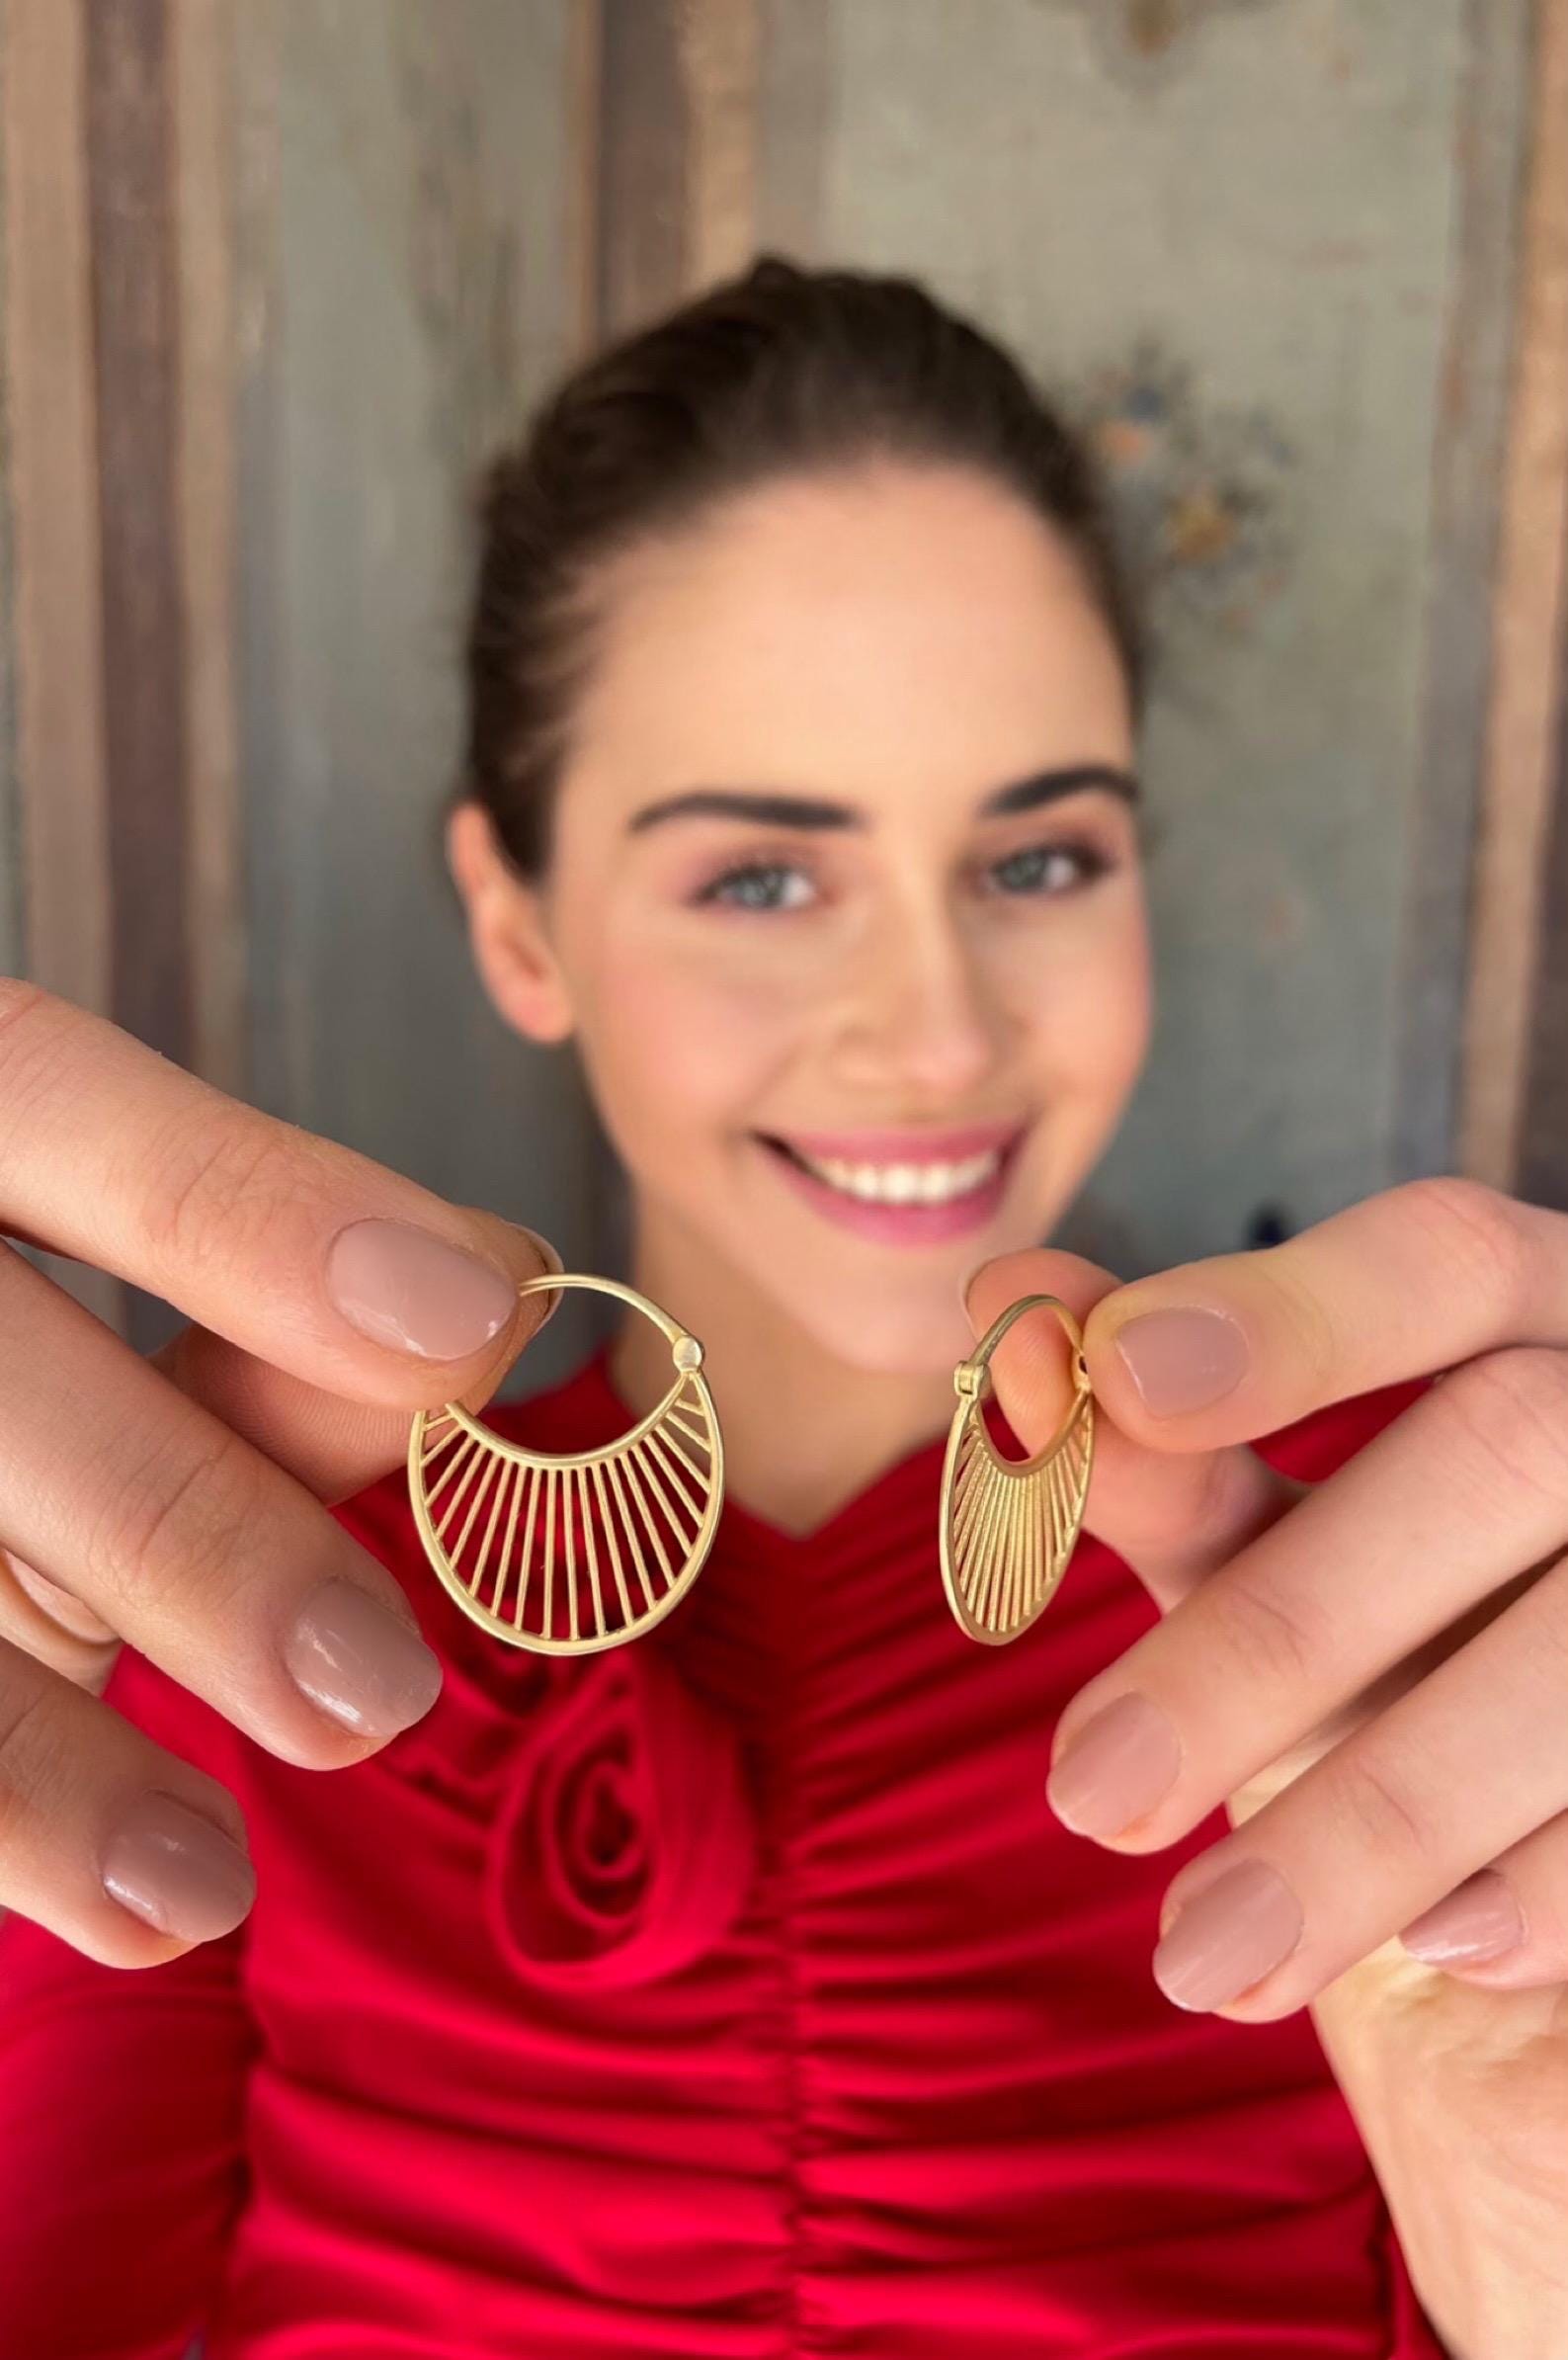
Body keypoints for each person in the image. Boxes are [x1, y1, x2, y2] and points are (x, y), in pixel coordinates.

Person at [2, 254, 1563, 2356]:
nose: (937, 1034)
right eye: (759, 876)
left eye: (1035, 860)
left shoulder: (1425, 1622)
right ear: (518, 923)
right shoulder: (202, 1606)